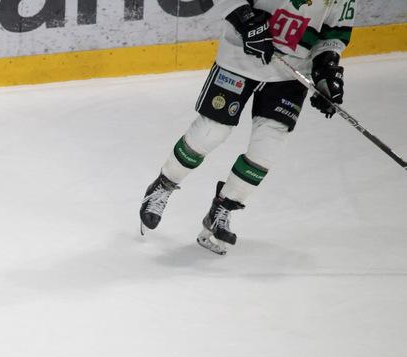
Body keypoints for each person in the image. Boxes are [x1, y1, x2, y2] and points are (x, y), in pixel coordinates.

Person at [139, 0, 354, 254]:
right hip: (239, 57)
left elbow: (334, 33)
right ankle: (163, 185)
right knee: (212, 131)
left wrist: (326, 69)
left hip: (290, 72)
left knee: (267, 148)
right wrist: (246, 19)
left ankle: (224, 207)